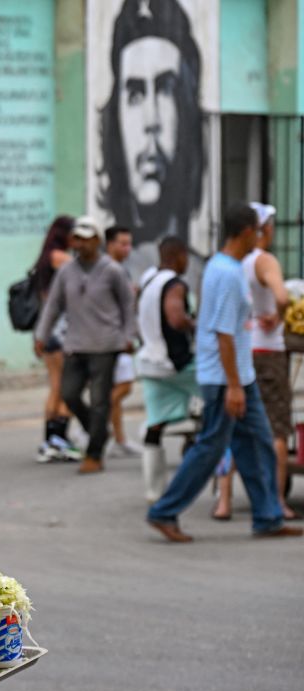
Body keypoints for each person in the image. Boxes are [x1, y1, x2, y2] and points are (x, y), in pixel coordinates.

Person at [146, 204, 303, 542]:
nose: (261, 238)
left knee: (257, 441)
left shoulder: (223, 267)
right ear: (247, 231)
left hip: (240, 375)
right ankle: (164, 510)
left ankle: (267, 516)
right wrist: (233, 385)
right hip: (224, 378)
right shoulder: (228, 273)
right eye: (258, 231)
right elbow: (223, 333)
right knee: (211, 447)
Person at [96, 0, 206, 279]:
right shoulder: (99, 274)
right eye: (134, 94)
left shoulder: (203, 277)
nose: (151, 120)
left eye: (166, 90)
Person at [35, 217, 138, 474]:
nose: (80, 244)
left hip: (105, 343)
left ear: (97, 241)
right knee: (69, 393)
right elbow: (54, 306)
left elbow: (127, 303)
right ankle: (98, 429)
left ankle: (94, 454)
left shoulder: (111, 270)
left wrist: (128, 335)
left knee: (100, 398)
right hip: (76, 343)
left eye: (85, 239)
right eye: (76, 239)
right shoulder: (66, 272)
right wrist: (41, 335)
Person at [242, 202, 297, 520]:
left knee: (239, 428)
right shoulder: (265, 261)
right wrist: (277, 315)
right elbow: (282, 296)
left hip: (244, 349)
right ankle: (276, 500)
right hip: (268, 352)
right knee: (277, 429)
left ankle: (223, 500)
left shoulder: (237, 262)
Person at [136, 236, 198, 501]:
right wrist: (195, 324)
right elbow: (175, 317)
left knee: (156, 425)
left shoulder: (148, 280)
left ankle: (154, 491)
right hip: (177, 364)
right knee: (219, 401)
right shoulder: (175, 284)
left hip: (150, 362)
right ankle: (207, 466)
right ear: (179, 255)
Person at [32, 216, 79, 463]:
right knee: (67, 389)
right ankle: (59, 438)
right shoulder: (60, 258)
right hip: (61, 332)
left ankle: (50, 440)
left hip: (48, 331)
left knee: (55, 387)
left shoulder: (46, 258)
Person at [104, 225, 143, 458]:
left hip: (121, 336)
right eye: (122, 243)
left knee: (118, 387)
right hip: (113, 338)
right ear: (110, 244)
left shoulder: (120, 270)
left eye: (129, 244)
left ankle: (119, 438)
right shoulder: (104, 270)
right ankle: (94, 423)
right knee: (123, 386)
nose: (127, 248)